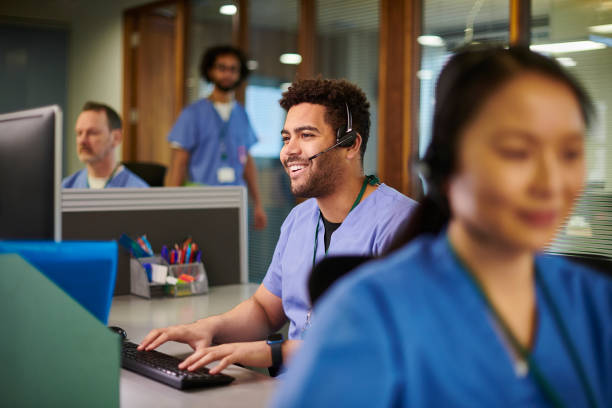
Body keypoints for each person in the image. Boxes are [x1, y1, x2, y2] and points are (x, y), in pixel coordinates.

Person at [271, 47, 611, 407]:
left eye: (570, 153)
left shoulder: (595, 303)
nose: (550, 181)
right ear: (449, 164)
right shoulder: (368, 315)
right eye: (517, 151)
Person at [138, 78, 417, 376]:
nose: (288, 152)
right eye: (286, 138)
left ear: (351, 144)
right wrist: (207, 327)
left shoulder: (402, 225)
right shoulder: (299, 220)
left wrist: (272, 352)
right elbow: (265, 309)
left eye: (306, 135)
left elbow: (386, 342)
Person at [165, 45, 267, 229]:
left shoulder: (242, 114)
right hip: (201, 198)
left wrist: (258, 203)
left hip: (236, 198)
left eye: (233, 69)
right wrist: (169, 206)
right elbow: (179, 162)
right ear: (210, 71)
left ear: (239, 74)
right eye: (221, 68)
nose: (227, 74)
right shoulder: (192, 114)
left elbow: (247, 161)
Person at [62, 101, 148, 188]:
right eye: (79, 133)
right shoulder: (66, 187)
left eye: (92, 133)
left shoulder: (137, 190)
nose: (82, 141)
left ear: (116, 138)